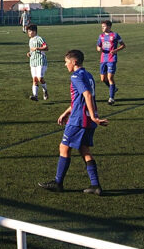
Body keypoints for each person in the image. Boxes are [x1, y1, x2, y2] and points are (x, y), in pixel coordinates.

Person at [38, 49, 109, 195]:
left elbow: (87, 95)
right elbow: (80, 99)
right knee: (84, 150)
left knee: (64, 148)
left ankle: (58, 183)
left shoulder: (76, 76)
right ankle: (95, 185)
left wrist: (92, 117)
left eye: (66, 62)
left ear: (74, 62)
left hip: (79, 120)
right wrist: (66, 112)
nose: (65, 65)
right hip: (86, 119)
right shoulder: (88, 75)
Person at [96, 20, 125, 105]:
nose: (102, 28)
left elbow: (123, 45)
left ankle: (111, 98)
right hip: (103, 59)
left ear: (109, 27)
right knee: (102, 79)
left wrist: (116, 50)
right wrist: (99, 49)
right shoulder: (101, 36)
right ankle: (113, 88)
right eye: (102, 27)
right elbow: (98, 46)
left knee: (110, 78)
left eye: (104, 26)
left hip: (111, 59)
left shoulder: (115, 35)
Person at [26, 24, 49, 101]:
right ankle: (35, 96)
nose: (28, 33)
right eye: (28, 31)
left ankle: (45, 90)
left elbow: (46, 47)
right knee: (34, 79)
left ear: (34, 31)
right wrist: (29, 53)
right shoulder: (30, 40)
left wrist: (37, 48)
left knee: (40, 78)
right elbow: (31, 50)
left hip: (41, 60)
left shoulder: (39, 38)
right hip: (33, 62)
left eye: (29, 31)